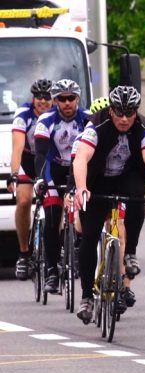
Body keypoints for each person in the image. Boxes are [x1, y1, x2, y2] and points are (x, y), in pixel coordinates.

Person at [72, 86, 145, 323]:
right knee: (89, 237)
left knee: (138, 196)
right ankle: (86, 297)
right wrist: (81, 188)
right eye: (119, 113)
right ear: (110, 111)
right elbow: (81, 157)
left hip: (127, 176)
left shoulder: (144, 126)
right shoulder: (96, 124)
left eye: (129, 113)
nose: (124, 119)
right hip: (98, 179)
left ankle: (130, 252)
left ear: (136, 111)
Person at [34, 79, 90, 294]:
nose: (67, 103)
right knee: (52, 217)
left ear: (77, 99)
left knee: (83, 212)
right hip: (55, 168)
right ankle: (51, 271)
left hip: (78, 168)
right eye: (62, 99)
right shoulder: (46, 120)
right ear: (55, 101)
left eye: (71, 98)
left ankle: (78, 247)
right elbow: (40, 154)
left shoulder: (87, 119)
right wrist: (40, 179)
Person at [8, 78, 53, 281]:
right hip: (28, 160)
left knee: (55, 203)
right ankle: (24, 254)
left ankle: (57, 247)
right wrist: (14, 173)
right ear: (33, 99)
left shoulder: (56, 114)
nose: (43, 101)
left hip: (49, 161)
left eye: (47, 97)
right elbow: (17, 147)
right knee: (24, 201)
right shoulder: (23, 115)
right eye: (39, 97)